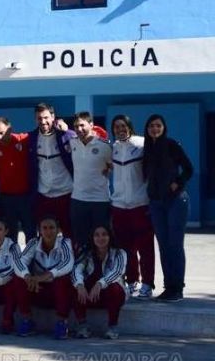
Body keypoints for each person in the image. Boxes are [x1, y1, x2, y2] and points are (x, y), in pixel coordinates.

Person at [143, 114, 193, 302]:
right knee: (163, 245)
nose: (154, 129)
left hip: (175, 201)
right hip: (156, 203)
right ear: (147, 129)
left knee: (175, 245)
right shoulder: (147, 148)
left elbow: (189, 169)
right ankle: (168, 287)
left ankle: (177, 288)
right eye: (151, 126)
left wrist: (177, 183)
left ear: (164, 127)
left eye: (158, 125)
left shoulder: (172, 145)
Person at [110, 114, 155, 299]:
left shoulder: (143, 144)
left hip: (140, 203)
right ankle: (131, 281)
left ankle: (147, 284)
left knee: (145, 247)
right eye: (116, 127)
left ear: (129, 126)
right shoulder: (112, 148)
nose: (120, 130)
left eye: (123, 126)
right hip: (119, 205)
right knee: (125, 248)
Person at [13, 216, 75, 339]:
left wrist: (41, 278)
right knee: (18, 280)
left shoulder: (65, 243)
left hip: (57, 292)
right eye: (44, 228)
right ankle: (27, 320)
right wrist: (28, 277)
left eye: (52, 228)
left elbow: (68, 263)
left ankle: (62, 322)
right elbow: (19, 262)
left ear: (58, 230)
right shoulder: (33, 243)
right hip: (36, 289)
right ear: (40, 230)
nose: (48, 231)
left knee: (62, 280)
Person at [72, 226, 128, 340]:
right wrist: (79, 285)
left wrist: (99, 284)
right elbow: (76, 269)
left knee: (114, 288)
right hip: (89, 297)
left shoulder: (119, 253)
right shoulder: (86, 253)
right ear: (92, 238)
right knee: (75, 286)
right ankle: (82, 325)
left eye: (104, 234)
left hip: (112, 297)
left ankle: (112, 327)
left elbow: (117, 271)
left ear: (110, 236)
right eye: (96, 235)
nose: (100, 238)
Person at [28, 103, 75, 238]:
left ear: (53, 117)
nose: (43, 122)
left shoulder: (67, 135)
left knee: (69, 234)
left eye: (46, 117)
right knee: (45, 235)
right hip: (44, 195)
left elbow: (88, 138)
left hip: (66, 193)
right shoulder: (31, 138)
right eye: (39, 118)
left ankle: (71, 259)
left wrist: (67, 130)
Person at [69, 112, 113, 252]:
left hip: (100, 200)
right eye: (76, 126)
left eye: (82, 125)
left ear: (92, 125)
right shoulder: (72, 142)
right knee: (80, 240)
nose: (79, 129)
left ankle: (104, 271)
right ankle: (83, 271)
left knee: (102, 241)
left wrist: (108, 170)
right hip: (78, 200)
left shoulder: (105, 146)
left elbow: (116, 166)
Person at [0, 117, 32, 241]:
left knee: (30, 231)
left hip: (25, 197)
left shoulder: (23, 140)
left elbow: (42, 135)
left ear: (10, 129)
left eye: (1, 133)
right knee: (10, 234)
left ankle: (32, 260)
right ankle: (12, 260)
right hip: (6, 198)